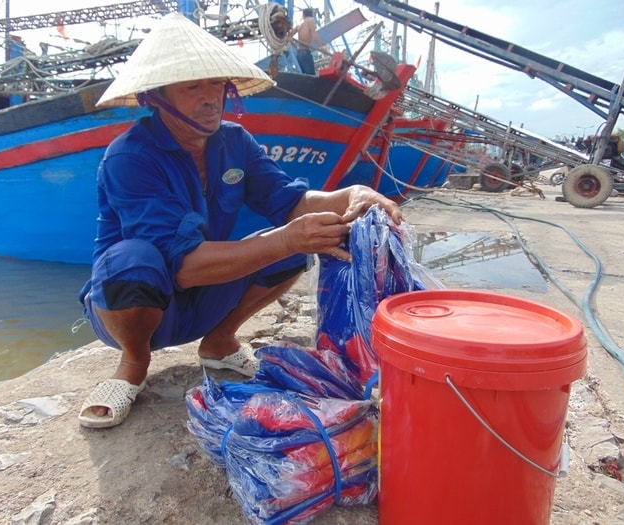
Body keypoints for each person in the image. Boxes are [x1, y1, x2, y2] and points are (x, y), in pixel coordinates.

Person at [76, 12, 403, 429]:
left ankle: (218, 341)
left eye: (216, 83)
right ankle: (133, 363)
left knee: (289, 249)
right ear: (156, 97)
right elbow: (182, 265)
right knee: (133, 260)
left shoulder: (234, 141)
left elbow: (289, 201)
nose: (211, 96)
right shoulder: (130, 156)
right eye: (193, 86)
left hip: (202, 297)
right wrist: (287, 239)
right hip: (132, 305)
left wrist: (349, 196)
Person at [293, 8, 326, 75]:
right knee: (311, 76)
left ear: (303, 15)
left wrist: (295, 46)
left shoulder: (299, 24)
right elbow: (314, 34)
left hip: (299, 53)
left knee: (303, 77)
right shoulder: (310, 20)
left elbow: (289, 37)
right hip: (305, 52)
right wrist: (321, 46)